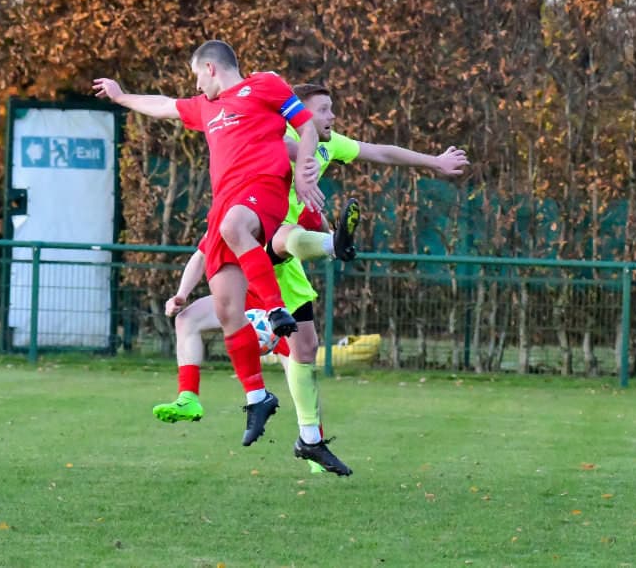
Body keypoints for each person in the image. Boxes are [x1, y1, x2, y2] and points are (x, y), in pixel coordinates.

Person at [154, 83, 470, 476]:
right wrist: (183, 291)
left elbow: (381, 152)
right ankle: (331, 246)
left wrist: (435, 162)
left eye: (330, 109)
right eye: (323, 109)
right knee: (281, 238)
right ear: (297, 114)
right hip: (260, 242)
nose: (331, 116)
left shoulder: (326, 143)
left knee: (304, 351)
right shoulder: (270, 133)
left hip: (288, 266)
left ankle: (310, 439)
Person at [93, 40, 323, 447]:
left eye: (197, 75)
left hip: (263, 190)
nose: (196, 85)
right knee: (228, 308)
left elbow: (307, 128)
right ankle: (257, 397)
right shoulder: (206, 108)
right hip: (224, 207)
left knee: (235, 226)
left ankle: (275, 309)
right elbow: (165, 105)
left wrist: (304, 174)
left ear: (211, 68)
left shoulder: (264, 85)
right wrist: (121, 96)